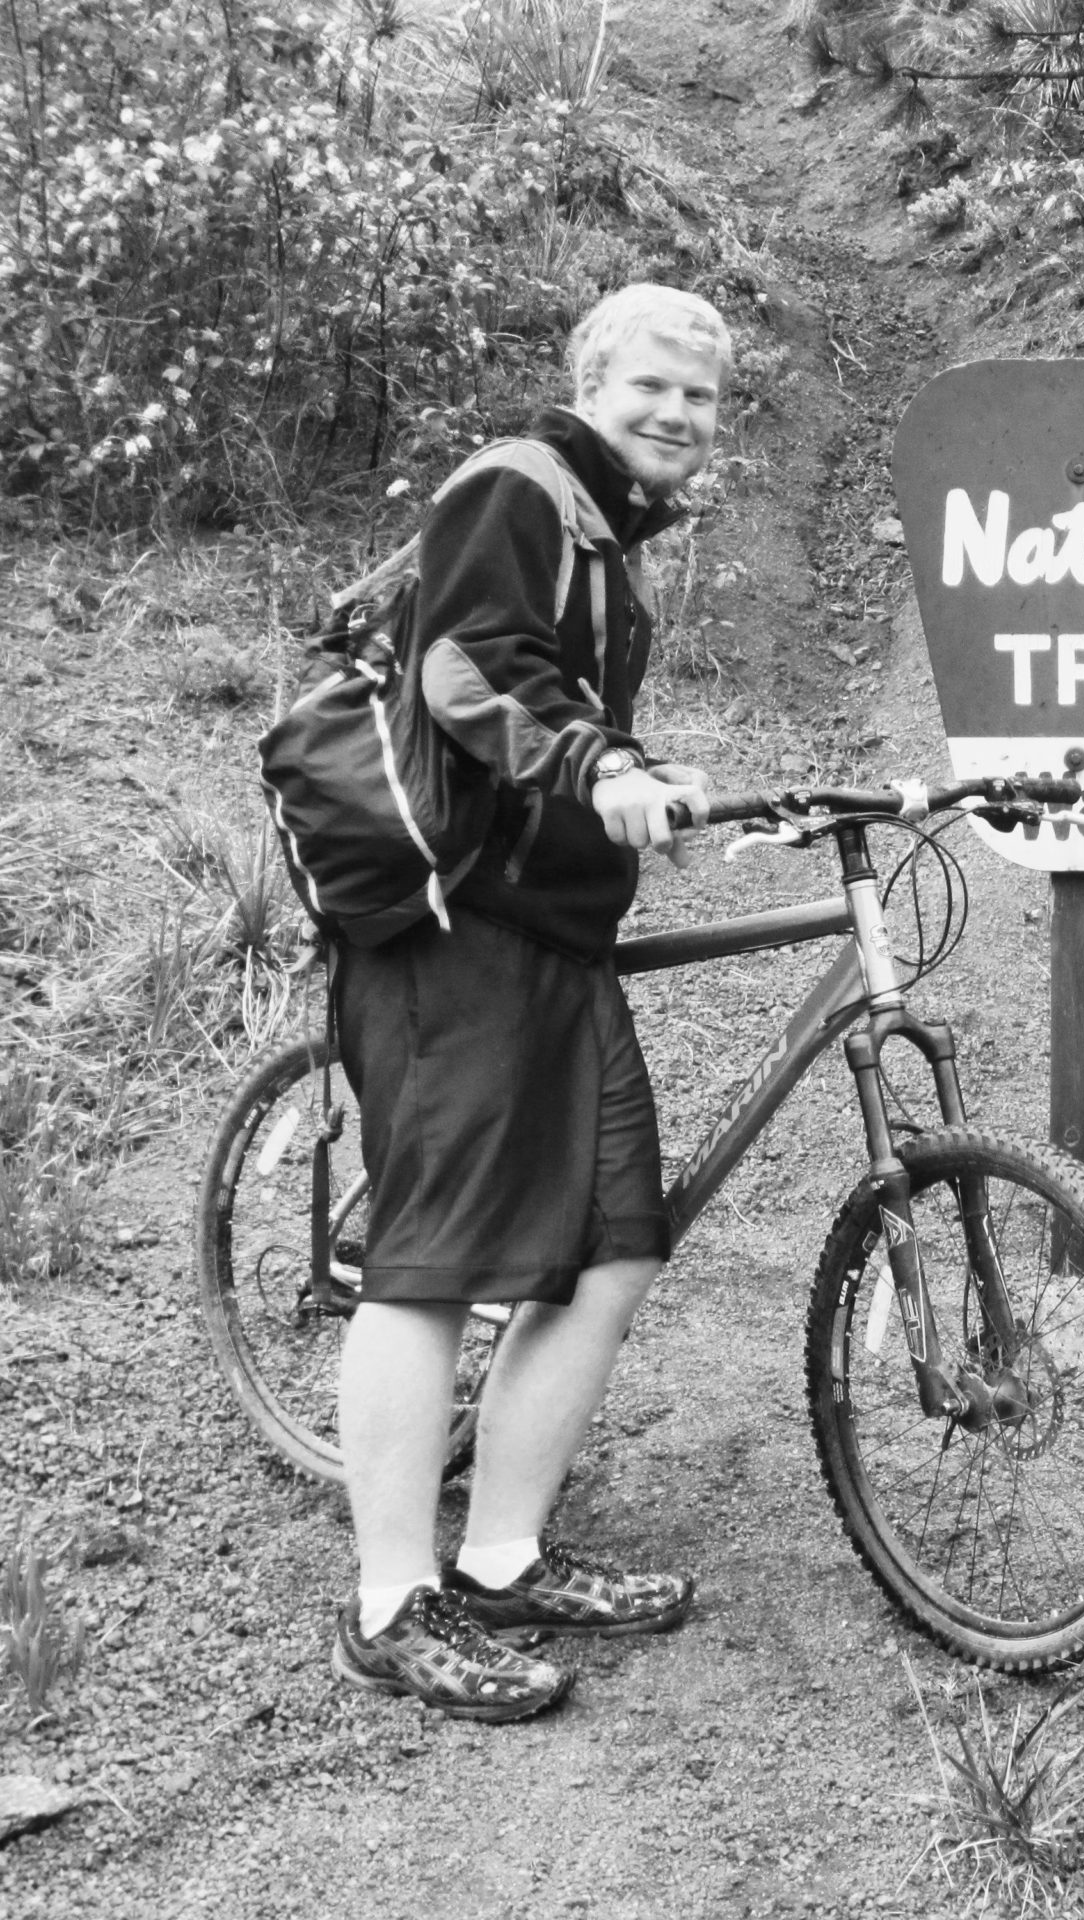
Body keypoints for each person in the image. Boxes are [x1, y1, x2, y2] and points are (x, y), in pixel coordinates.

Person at [326, 284, 726, 1721]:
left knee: (615, 1249)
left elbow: (548, 694)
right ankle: (388, 1605)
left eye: (701, 397)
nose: (678, 415)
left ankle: (499, 1556)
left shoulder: (605, 537)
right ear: (589, 381)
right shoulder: (517, 487)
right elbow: (466, 669)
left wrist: (644, 765)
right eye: (652, 389)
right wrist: (598, 771)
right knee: (428, 1266)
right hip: (461, 940)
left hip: (559, 944)